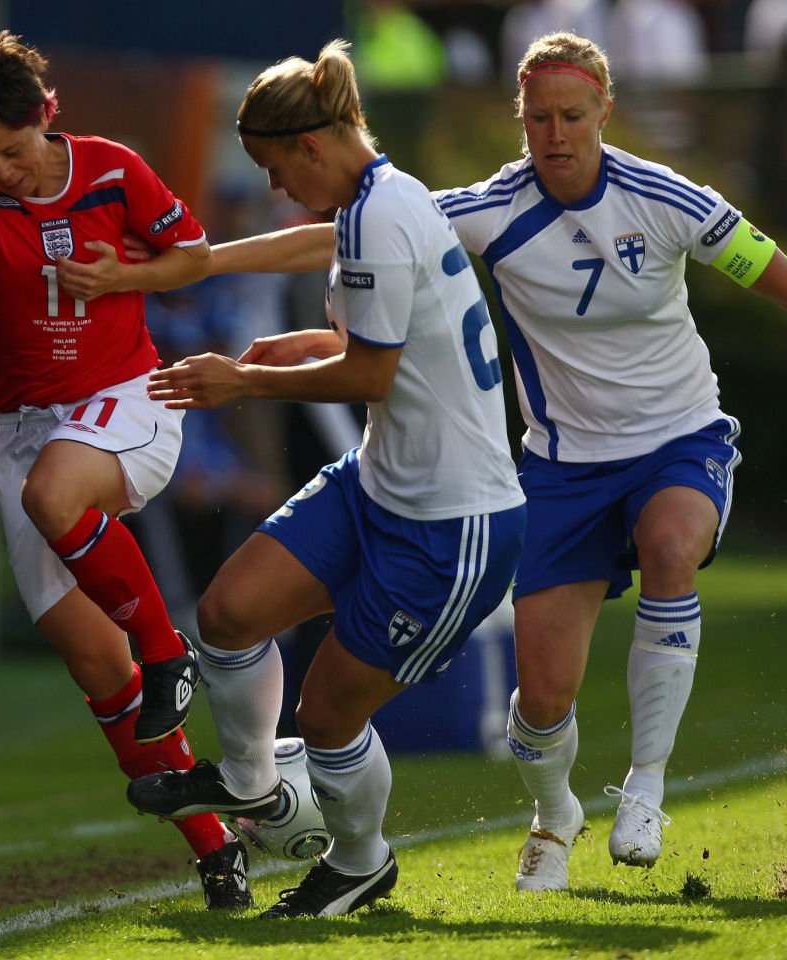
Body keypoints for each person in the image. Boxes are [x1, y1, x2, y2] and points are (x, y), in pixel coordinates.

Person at [175, 30, 787, 893]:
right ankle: (554, 814)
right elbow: (338, 240)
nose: (553, 134)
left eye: (570, 116)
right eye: (536, 119)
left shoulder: (669, 200)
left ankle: (645, 786)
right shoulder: (494, 206)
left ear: (605, 112)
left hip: (680, 439)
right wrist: (193, 264)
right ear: (519, 121)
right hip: (559, 466)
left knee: (673, 547)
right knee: (542, 701)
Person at [124, 39, 527, 917]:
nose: (274, 187)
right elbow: (370, 328)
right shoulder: (379, 197)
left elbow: (370, 376)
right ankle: (248, 782)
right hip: (379, 480)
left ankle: (359, 860)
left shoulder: (380, 214)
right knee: (228, 616)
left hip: (451, 523)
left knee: (330, 715)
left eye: (274, 167)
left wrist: (244, 379)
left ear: (310, 147)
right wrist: (228, 278)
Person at [0, 31, 251, 909]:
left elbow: (194, 259)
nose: (4, 171)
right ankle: (217, 845)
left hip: (128, 400)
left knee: (56, 493)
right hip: (23, 432)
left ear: (48, 118)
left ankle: (170, 651)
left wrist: (122, 276)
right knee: (97, 665)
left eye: (15, 153)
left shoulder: (112, 169)